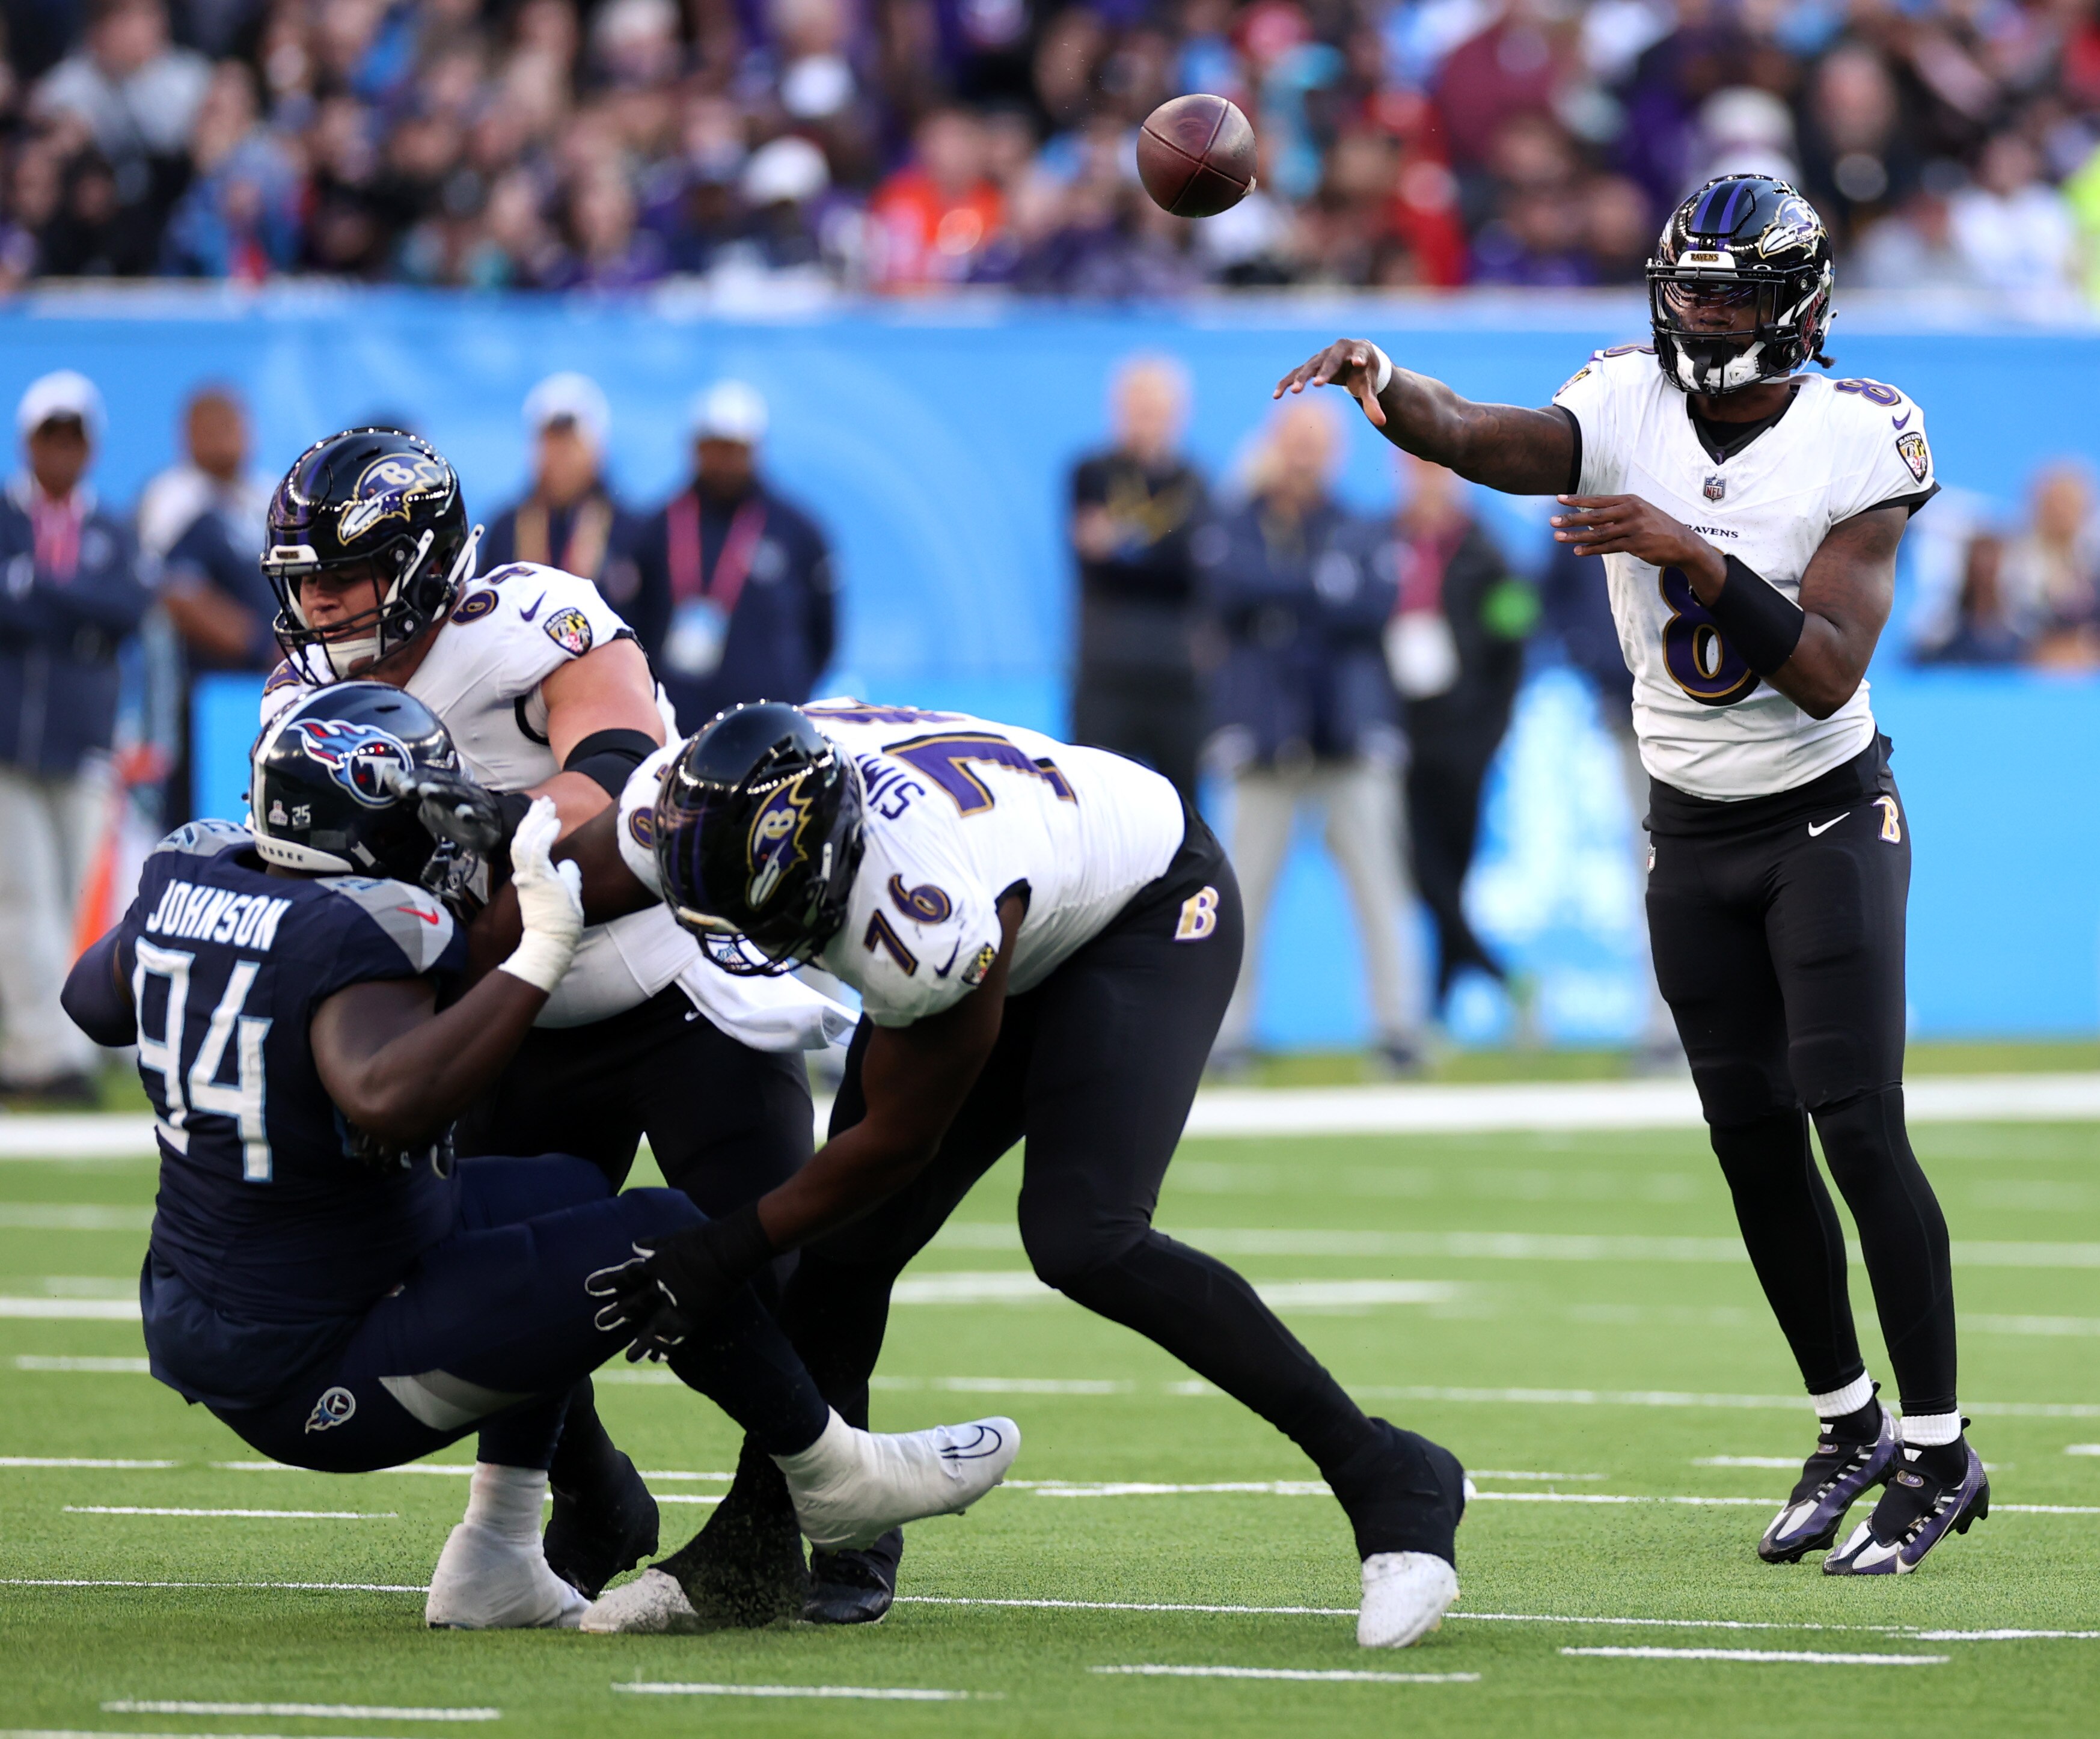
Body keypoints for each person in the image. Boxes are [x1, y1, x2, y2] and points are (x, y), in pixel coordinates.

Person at [1276, 173, 1978, 1577]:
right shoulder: (1624, 398)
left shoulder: (1862, 434)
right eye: (1691, 288)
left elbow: (1831, 664)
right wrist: (1392, 384)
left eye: (1732, 293)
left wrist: (1688, 551)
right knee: (1751, 1141)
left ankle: (1941, 1449)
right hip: (1690, 830)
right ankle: (1845, 1422)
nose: (1704, 314)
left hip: (1826, 815)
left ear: (1800, 311)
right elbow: (1492, 437)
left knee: (1857, 1124)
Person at [452, 700, 1469, 1649]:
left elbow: (896, 1143)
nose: (755, 941)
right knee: (843, 1255)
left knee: (1084, 1234)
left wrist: (720, 1249)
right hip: (1006, 891)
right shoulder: (679, 807)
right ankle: (756, 1547)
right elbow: (536, 909)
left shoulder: (913, 914)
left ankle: (1391, 1475)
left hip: (1137, 911)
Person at [59, 683, 1017, 1630]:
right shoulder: (361, 928)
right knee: (662, 1230)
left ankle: (501, 1548)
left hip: (221, 1286)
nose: (437, 840)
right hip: (312, 1352)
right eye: (420, 809)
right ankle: (829, 1472)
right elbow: (388, 1101)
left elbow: (93, 1002)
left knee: (565, 1188)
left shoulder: (194, 876)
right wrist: (537, 954)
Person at [255, 426, 850, 1599]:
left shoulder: (532, 618)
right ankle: (558, 1508)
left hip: (669, 984)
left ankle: (801, 1524)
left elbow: (622, 766)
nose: (317, 609)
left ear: (420, 561)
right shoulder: (302, 692)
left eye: (339, 579)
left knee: (765, 1262)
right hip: (510, 1014)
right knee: (499, 1284)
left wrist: (474, 843)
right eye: (301, 585)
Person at [1201, 398, 1426, 1074]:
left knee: (1380, 886)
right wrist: (1315, 590)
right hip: (1262, 732)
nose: (1303, 456)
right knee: (1241, 892)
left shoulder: (1357, 525)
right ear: (1273, 445)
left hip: (1348, 730)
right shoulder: (1238, 521)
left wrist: (1281, 601)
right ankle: (1228, 1034)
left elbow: (1372, 603)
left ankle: (1398, 1030)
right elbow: (1225, 592)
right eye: (1292, 442)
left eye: (1315, 443)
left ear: (1333, 453)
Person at [0, 370, 152, 1101]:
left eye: (74, 436)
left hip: (82, 737)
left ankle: (50, 1042)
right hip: (9, 743)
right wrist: (75, 614)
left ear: (90, 446)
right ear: (30, 442)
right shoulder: (6, 517)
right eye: (50, 435)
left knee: (67, 903)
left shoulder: (107, 527)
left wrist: (36, 592)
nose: (62, 450)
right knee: (21, 895)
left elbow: (126, 608)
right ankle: (42, 1056)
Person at [1382, 453, 1533, 1021]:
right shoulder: (1383, 542)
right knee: (1418, 867)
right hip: (1399, 729)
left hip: (1464, 733)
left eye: (1431, 470)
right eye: (1412, 470)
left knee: (1453, 866)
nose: (1423, 482)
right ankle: (1494, 971)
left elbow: (1515, 634)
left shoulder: (1483, 550)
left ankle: (1437, 1009)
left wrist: (1492, 727)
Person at [628, 381, 837, 735]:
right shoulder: (655, 529)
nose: (725, 461)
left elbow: (823, 635)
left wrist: (788, 689)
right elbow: (633, 624)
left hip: (774, 731)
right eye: (715, 447)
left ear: (757, 450)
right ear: (694, 448)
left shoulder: (798, 532)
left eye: (735, 449)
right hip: (676, 727)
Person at [1067, 355, 1209, 807]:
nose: (1147, 420)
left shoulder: (1194, 482)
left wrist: (1122, 541)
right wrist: (1158, 548)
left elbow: (1191, 570)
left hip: (1176, 675)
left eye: (1157, 409)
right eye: (1137, 407)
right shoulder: (1090, 473)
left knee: (1183, 816)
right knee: (1095, 810)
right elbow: (1094, 561)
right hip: (1107, 672)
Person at [145, 388, 278, 822]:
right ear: (188, 435)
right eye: (213, 426)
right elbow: (180, 595)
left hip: (270, 691)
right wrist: (263, 645)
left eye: (234, 424)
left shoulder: (265, 495)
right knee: (212, 822)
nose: (227, 437)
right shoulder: (174, 498)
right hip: (204, 695)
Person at [480, 373, 642, 611]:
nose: (559, 456)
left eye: (570, 444)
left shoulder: (631, 533)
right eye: (550, 442)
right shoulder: (505, 529)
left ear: (597, 448)